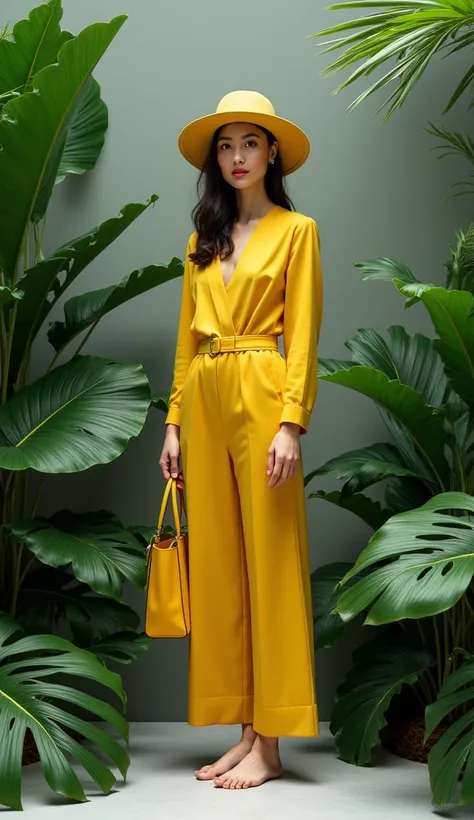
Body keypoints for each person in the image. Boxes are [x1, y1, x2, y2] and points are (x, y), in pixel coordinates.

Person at [159, 90, 323, 790]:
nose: (236, 157)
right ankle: (246, 733)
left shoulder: (298, 230)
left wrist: (291, 422)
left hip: (262, 385)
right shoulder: (202, 242)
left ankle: (274, 742)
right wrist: (171, 421)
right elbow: (184, 341)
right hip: (204, 398)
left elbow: (305, 336)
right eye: (225, 147)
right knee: (223, 567)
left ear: (272, 151)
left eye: (249, 143)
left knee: (272, 564)